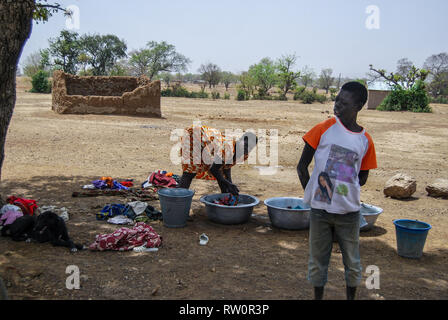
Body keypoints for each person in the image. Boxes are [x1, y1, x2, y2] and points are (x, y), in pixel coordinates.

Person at [297, 81, 377, 300]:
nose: (337, 106)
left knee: (352, 262)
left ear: (359, 106)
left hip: (349, 214)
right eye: (336, 100)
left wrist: (340, 184)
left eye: (344, 103)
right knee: (317, 261)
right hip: (320, 213)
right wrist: (314, 194)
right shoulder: (323, 129)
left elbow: (362, 178)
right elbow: (301, 166)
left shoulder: (365, 140)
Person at [178, 124, 257, 195]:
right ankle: (178, 199)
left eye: (250, 147)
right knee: (190, 172)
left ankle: (225, 199)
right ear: (240, 140)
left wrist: (229, 184)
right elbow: (214, 169)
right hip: (195, 136)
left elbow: (226, 168)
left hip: (205, 140)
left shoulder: (242, 154)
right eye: (246, 144)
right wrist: (227, 183)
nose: (247, 148)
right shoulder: (228, 148)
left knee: (222, 177)